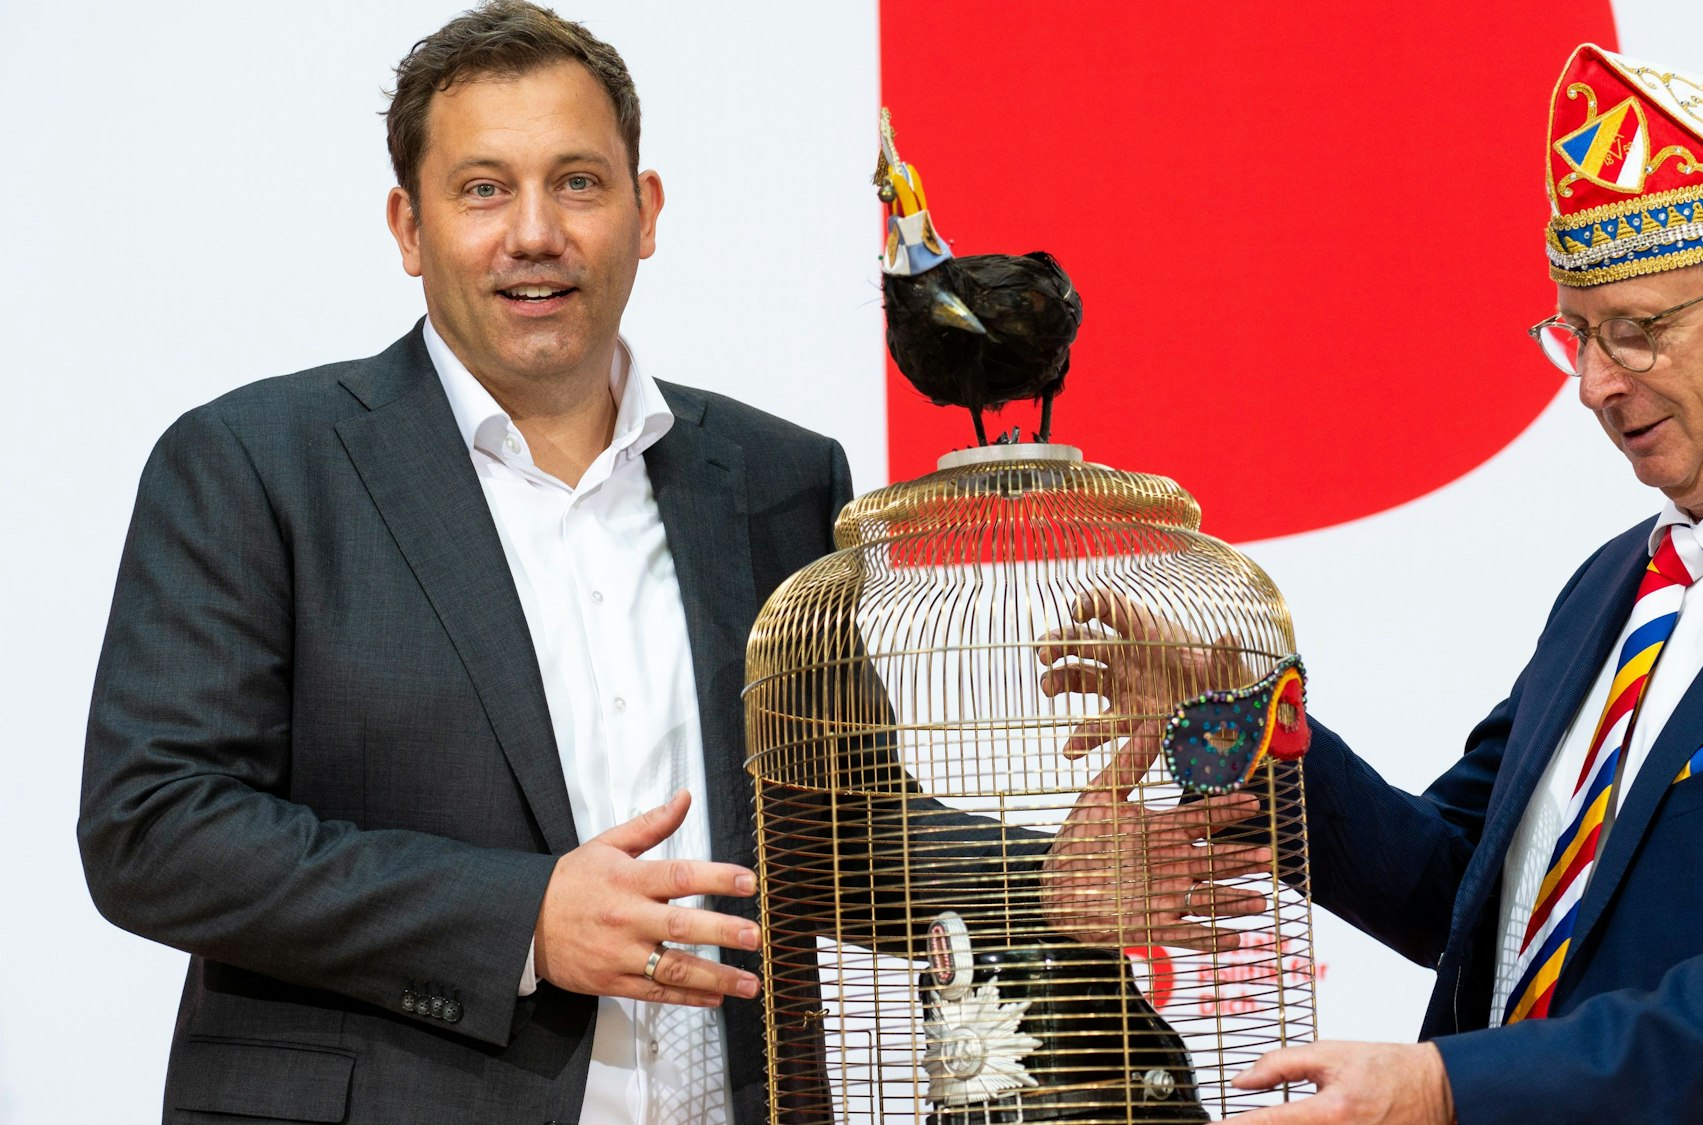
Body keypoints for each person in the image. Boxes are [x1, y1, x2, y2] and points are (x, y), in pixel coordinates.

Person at [75, 4, 1261, 1122]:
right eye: (482, 190)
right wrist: (520, 918)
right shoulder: (254, 464)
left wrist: (1039, 878)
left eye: (576, 184)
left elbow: (833, 828)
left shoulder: (775, 476)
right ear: (409, 227)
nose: (534, 232)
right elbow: (155, 828)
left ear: (644, 211)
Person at [1041, 44, 1703, 1124]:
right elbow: (1458, 889)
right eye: (1574, 335)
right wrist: (1240, 721)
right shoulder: (1612, 588)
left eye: (1637, 332)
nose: (1594, 386)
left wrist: (1448, 1085)